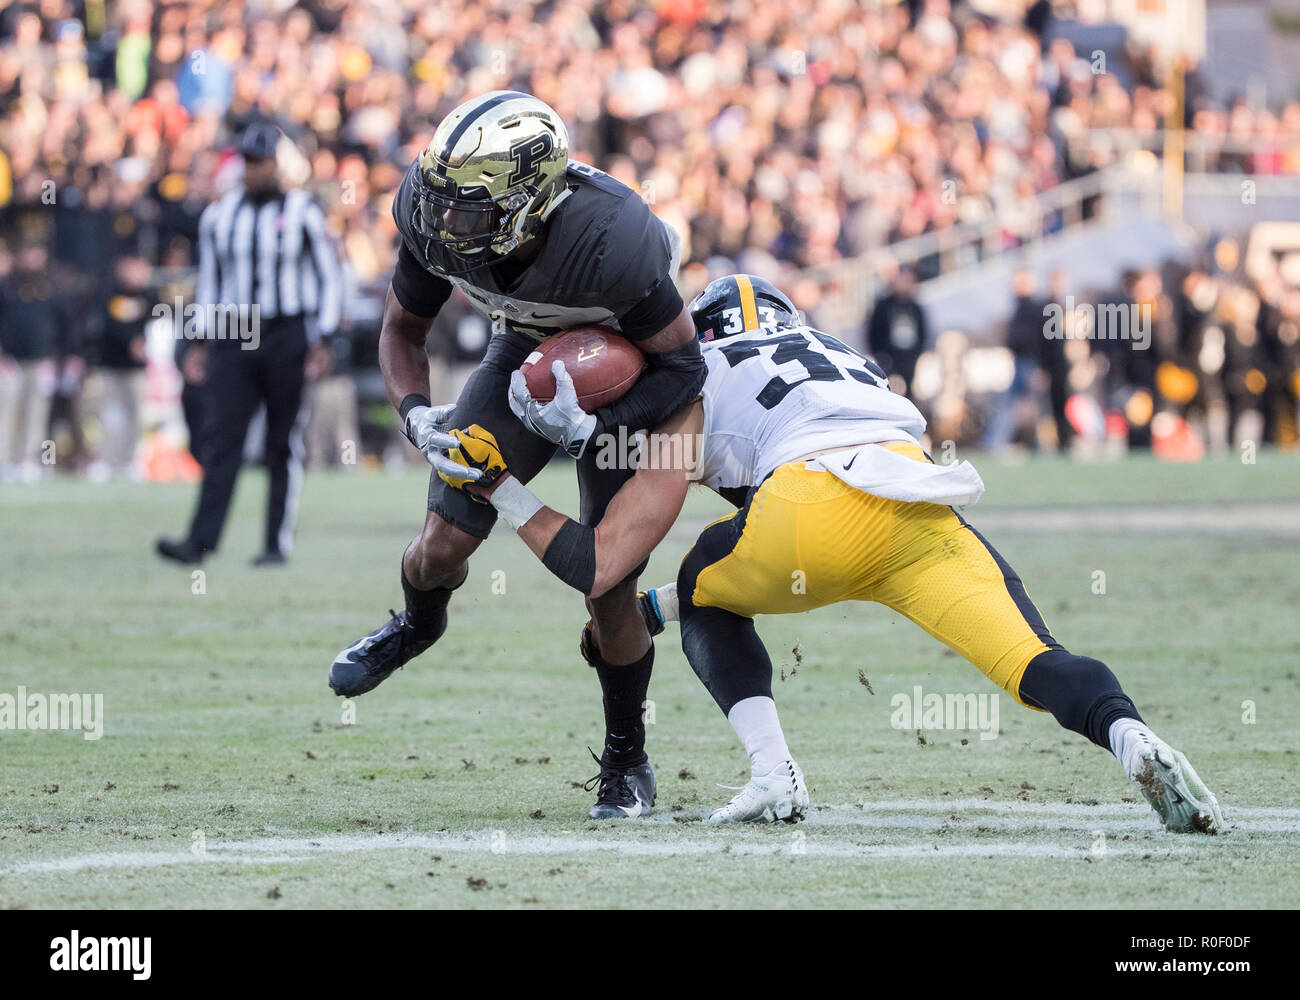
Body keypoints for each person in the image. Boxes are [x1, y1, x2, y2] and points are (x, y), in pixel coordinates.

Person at [442, 274, 1224, 835]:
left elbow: (626, 535)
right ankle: (1134, 740)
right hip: (918, 501)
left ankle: (772, 773)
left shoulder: (696, 370)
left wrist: (524, 471)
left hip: (806, 506)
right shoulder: (842, 351)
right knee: (1033, 657)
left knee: (704, 586)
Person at [325, 92, 706, 820]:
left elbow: (685, 371)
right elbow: (403, 332)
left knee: (608, 587)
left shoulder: (611, 237)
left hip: (637, 381)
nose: (445, 222)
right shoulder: (432, 215)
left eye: (467, 210)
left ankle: (628, 758)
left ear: (530, 204)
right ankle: (417, 623)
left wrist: (594, 428)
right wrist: (415, 418)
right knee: (438, 546)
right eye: (443, 201)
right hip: (528, 357)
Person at [156, 122, 340, 566]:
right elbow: (212, 285)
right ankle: (200, 542)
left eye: (261, 162)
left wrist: (324, 336)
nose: (254, 170)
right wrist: (197, 340)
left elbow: (330, 277)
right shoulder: (220, 215)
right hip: (235, 332)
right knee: (222, 440)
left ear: (277, 163)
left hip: (286, 331)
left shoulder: (303, 211)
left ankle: (276, 544)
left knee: (282, 441)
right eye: (249, 162)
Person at [866, 264, 928, 399]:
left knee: (910, 395)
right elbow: (874, 332)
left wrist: (916, 355)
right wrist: (880, 355)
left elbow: (922, 332)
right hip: (888, 359)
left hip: (909, 359)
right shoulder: (884, 306)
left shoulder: (915, 307)